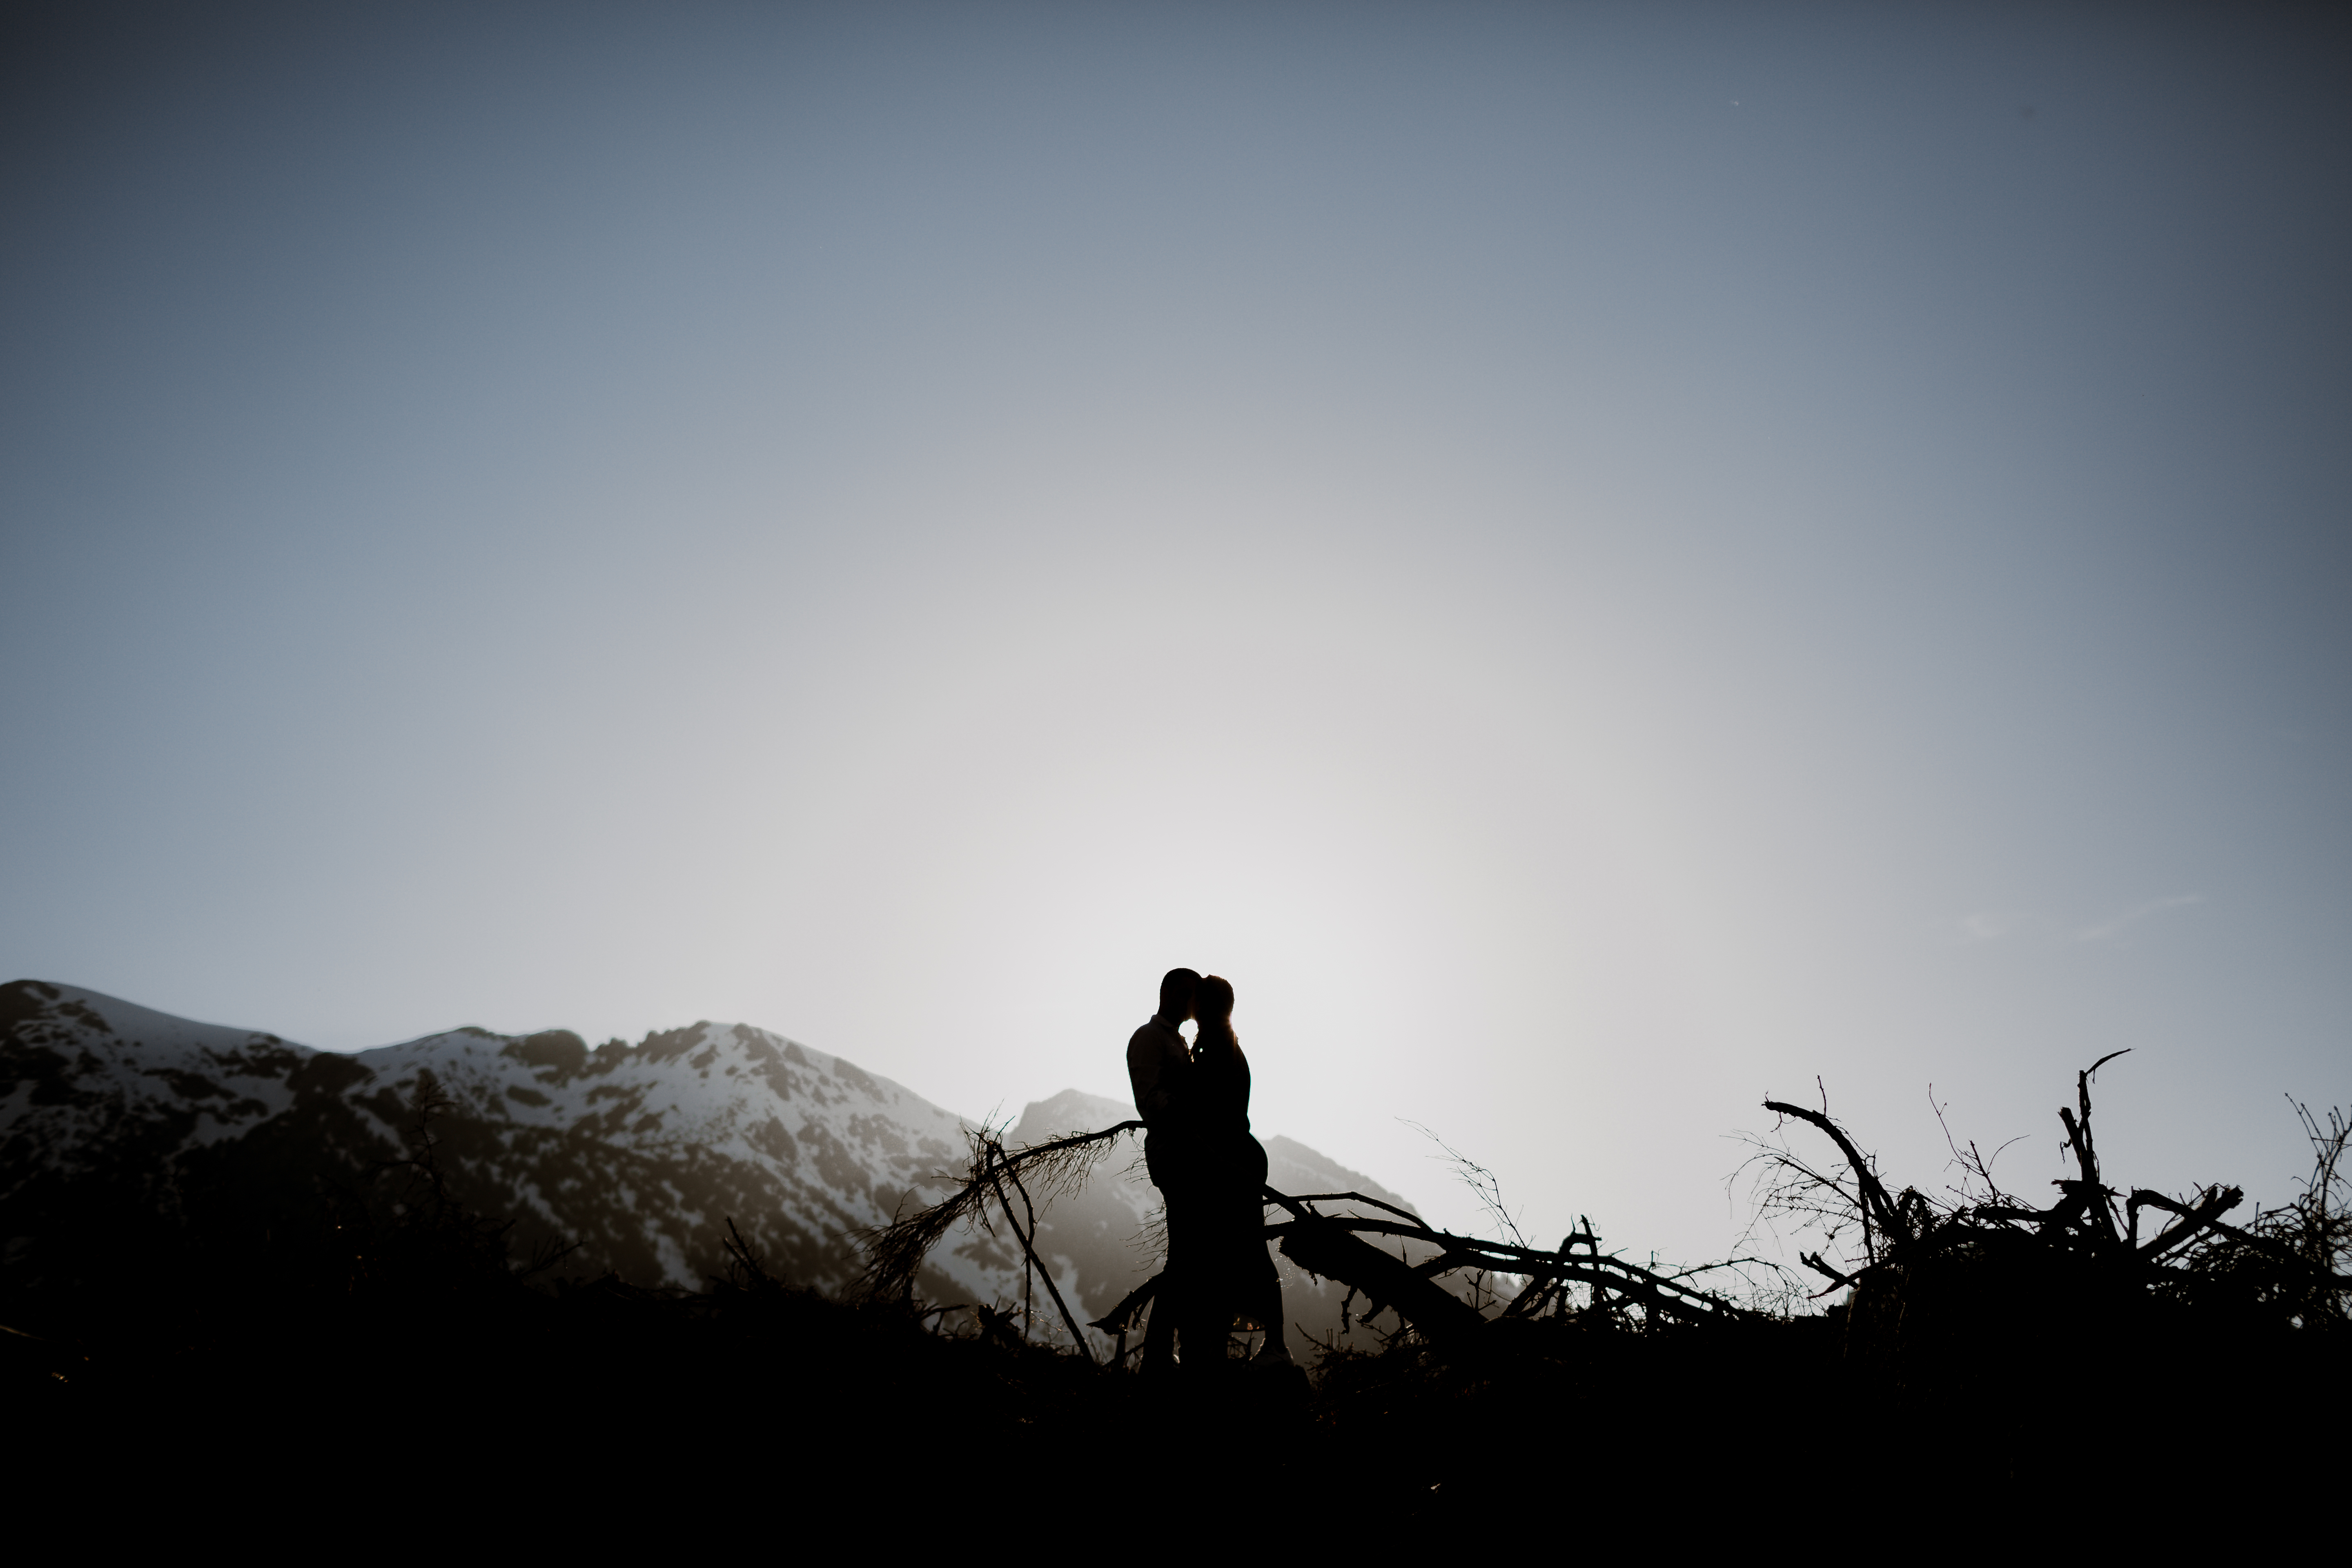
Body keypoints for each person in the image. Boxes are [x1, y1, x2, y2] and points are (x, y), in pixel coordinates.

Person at [1184, 974, 1293, 1368]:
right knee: (1233, 1251)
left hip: (1232, 1161)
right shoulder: (1223, 1043)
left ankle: (1276, 1346)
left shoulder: (1218, 1047)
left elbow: (1211, 1111)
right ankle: (1242, 1344)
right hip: (1233, 1158)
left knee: (1245, 1249)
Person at [1126, 967, 1200, 1376]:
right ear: (1168, 992)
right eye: (1187, 994)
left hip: (1190, 1155)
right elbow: (1150, 1100)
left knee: (1189, 1257)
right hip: (1173, 1154)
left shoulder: (1180, 1042)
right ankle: (1159, 1355)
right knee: (1185, 1257)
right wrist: (1193, 1106)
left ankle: (1176, 1352)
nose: (1192, 1003)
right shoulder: (1148, 1039)